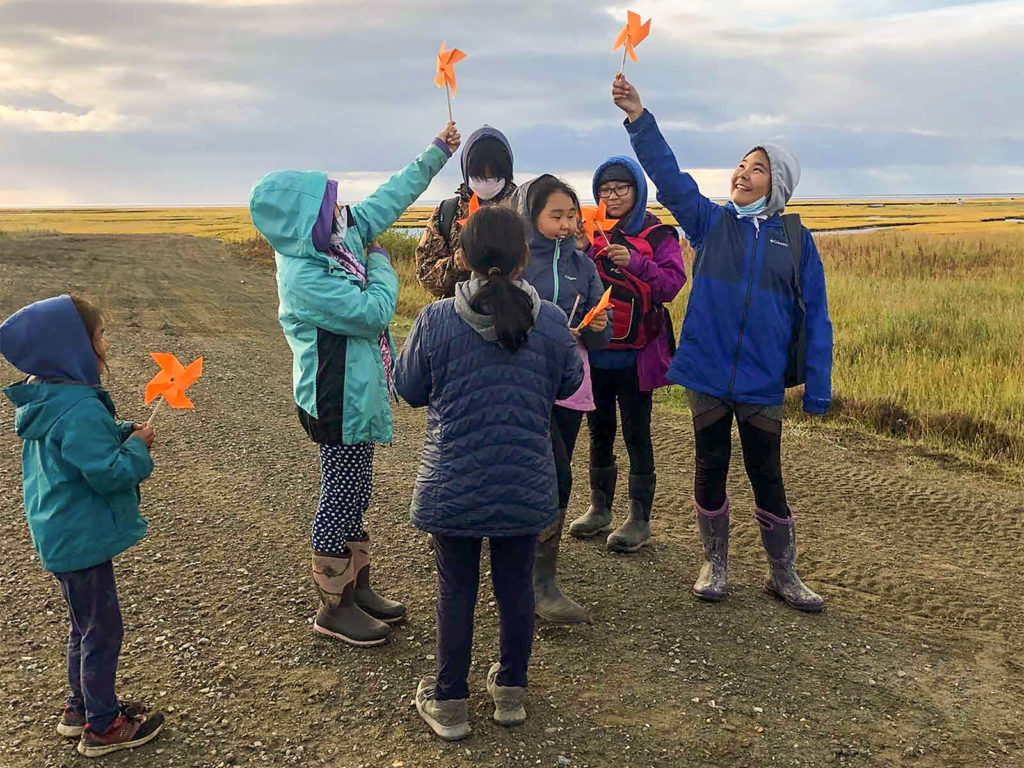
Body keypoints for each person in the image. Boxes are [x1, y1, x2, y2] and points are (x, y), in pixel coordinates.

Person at [612, 74, 833, 612]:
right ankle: (715, 563)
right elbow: (668, 177)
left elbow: (818, 317)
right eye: (741, 164)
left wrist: (819, 389)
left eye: (758, 168)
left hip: (761, 379)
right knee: (709, 465)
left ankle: (784, 573)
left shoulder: (797, 241)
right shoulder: (711, 223)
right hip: (709, 371)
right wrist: (639, 118)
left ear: (777, 183)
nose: (743, 172)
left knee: (767, 472)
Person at [248, 122, 461, 646]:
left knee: (357, 489)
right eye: (326, 206)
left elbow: (391, 198)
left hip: (353, 393)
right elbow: (372, 313)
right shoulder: (304, 275)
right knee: (340, 494)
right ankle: (334, 606)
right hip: (334, 398)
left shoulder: (338, 238)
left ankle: (357, 586)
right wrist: (383, 264)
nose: (338, 210)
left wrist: (437, 153)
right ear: (303, 222)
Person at [397, 206, 583, 741]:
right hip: (525, 482)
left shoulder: (435, 320)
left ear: (462, 257)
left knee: (455, 591)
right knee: (516, 589)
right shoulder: (549, 320)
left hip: (452, 483)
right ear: (525, 257)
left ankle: (450, 702)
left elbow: (408, 390)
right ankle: (511, 695)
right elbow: (569, 384)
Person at [0, 294, 164, 758]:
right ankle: (104, 726)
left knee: (83, 625)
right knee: (103, 629)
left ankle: (80, 707)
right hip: (81, 538)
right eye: (98, 336)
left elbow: (81, 448)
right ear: (73, 348)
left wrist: (123, 431)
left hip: (59, 532)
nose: (104, 344)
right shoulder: (80, 406)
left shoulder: (50, 396)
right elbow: (108, 471)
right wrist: (137, 449)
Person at [569, 156, 686, 552]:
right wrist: (582, 252)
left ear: (637, 191)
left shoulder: (657, 234)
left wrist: (635, 262)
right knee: (598, 431)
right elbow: (573, 285)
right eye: (605, 190)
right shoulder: (587, 231)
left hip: (638, 356)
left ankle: (639, 518)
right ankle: (599, 508)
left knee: (638, 434)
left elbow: (672, 285)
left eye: (621, 189)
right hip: (597, 352)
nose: (613, 196)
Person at [513, 175, 610, 624]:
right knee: (535, 467)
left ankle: (543, 578)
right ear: (531, 217)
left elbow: (604, 336)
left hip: (571, 379)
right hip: (525, 380)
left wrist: (597, 327)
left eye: (572, 215)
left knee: (560, 471)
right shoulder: (516, 262)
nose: (568, 224)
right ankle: (515, 570)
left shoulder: (585, 266)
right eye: (557, 215)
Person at [416, 125, 517, 298]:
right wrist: (457, 263)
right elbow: (425, 277)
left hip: (513, 315)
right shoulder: (447, 213)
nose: (486, 180)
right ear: (466, 171)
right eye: (479, 174)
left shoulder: (522, 209)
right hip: (456, 314)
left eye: (494, 174)